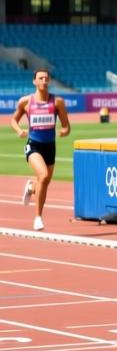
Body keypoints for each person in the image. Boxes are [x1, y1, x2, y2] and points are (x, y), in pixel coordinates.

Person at [10, 69, 71, 232]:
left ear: (49, 80)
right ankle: (38, 218)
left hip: (50, 147)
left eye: (46, 78)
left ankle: (31, 187)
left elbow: (66, 126)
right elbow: (13, 120)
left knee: (44, 183)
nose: (44, 80)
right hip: (33, 145)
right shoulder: (26, 102)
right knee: (43, 176)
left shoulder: (57, 102)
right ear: (34, 82)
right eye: (40, 78)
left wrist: (64, 131)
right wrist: (19, 131)